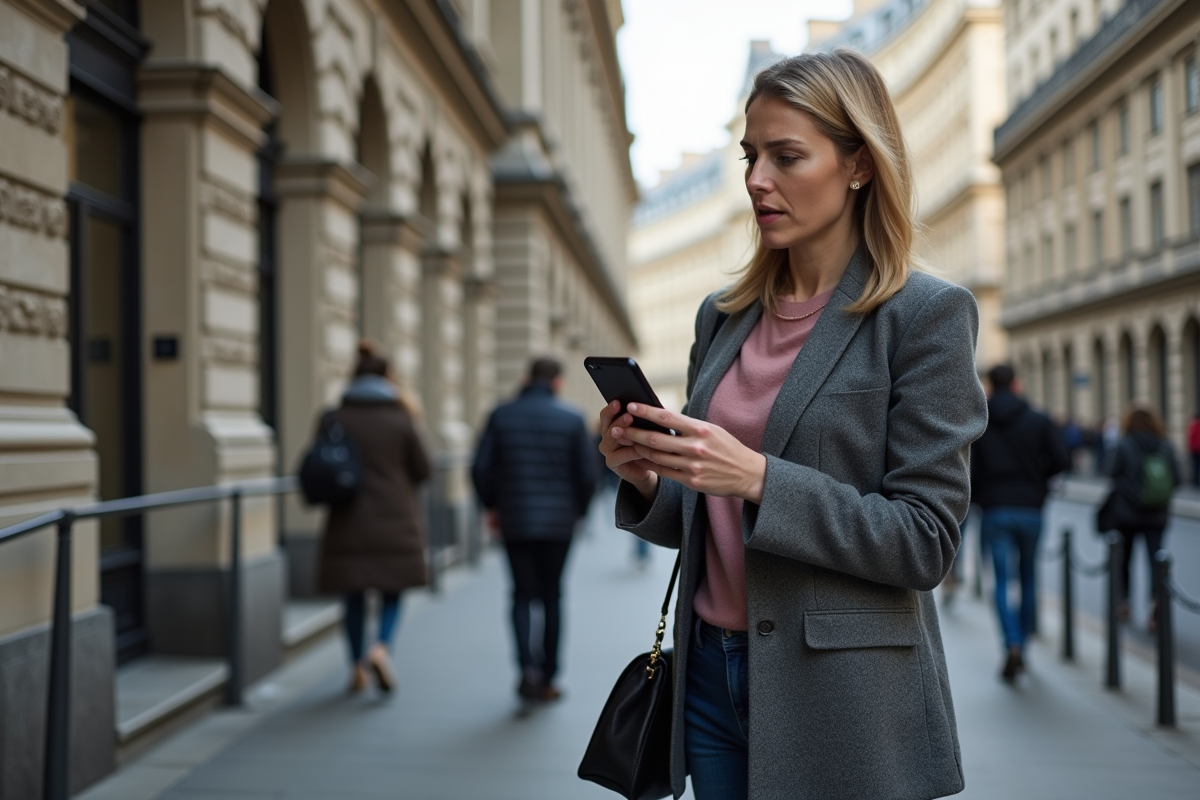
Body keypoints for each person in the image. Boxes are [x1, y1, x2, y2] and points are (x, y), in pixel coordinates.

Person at [598, 50, 987, 800]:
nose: (755, 180)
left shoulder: (927, 316)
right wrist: (648, 476)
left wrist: (758, 478)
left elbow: (925, 542)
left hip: (843, 694)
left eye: (786, 156)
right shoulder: (724, 316)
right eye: (750, 155)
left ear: (859, 165)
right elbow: (708, 511)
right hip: (708, 672)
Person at [472, 357, 596, 702]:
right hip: (559, 522)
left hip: (514, 518)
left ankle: (526, 667)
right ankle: (549, 677)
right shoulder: (572, 419)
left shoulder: (501, 414)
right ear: (557, 382)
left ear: (527, 378)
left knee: (521, 594)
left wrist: (492, 507)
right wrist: (579, 512)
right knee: (553, 595)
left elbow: (481, 468)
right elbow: (587, 476)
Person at [317, 341, 431, 694]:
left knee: (352, 597)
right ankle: (380, 648)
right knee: (391, 592)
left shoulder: (333, 417)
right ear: (388, 377)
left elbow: (320, 465)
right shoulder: (401, 417)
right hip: (394, 518)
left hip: (347, 520)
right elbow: (423, 469)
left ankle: (355, 667)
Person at [970, 364, 1070, 683]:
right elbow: (1062, 460)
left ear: (990, 385)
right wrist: (1039, 483)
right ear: (1015, 384)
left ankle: (1010, 643)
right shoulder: (1038, 420)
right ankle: (1023, 646)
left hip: (995, 509)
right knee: (1029, 578)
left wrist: (981, 496)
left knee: (1000, 582)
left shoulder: (980, 422)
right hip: (1030, 507)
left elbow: (969, 468)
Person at [1107, 404, 1179, 629]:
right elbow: (1176, 479)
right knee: (1156, 561)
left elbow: (1112, 474)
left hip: (1127, 515)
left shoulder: (1124, 444)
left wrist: (1132, 493)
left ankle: (1124, 602)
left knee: (1124, 560)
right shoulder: (1165, 446)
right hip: (1156, 515)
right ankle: (1156, 602)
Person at [1187, 412, 1200, 487]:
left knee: (1195, 466)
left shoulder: (1193, 425)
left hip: (1194, 449)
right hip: (1197, 449)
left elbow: (1190, 437)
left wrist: (1190, 447)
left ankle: (1195, 481)